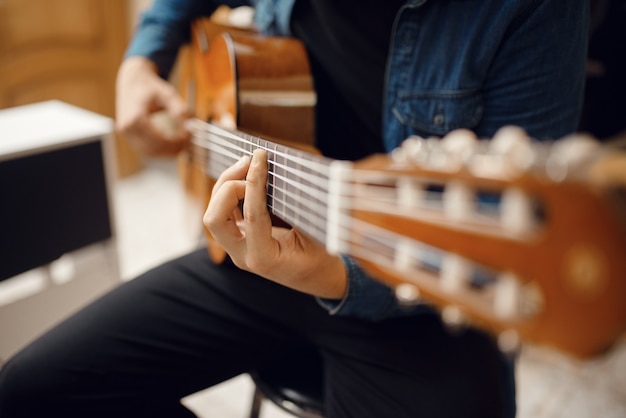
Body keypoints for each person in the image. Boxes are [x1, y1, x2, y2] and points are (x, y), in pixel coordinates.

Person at [0, 1, 589, 417]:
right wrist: (142, 58)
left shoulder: (535, 9)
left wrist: (330, 274)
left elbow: (502, 230)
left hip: (422, 302)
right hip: (256, 259)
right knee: (28, 395)